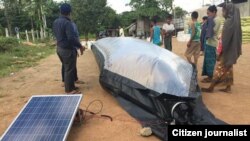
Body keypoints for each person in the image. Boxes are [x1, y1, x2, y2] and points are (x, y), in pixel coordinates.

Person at [201, 3, 242, 93]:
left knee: (219, 68)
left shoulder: (228, 23)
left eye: (224, 10)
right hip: (231, 50)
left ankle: (211, 87)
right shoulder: (235, 22)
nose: (223, 12)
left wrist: (220, 52)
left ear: (228, 11)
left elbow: (225, 40)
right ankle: (228, 87)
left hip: (226, 50)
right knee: (228, 67)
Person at [53, 3, 85, 94]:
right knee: (69, 69)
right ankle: (69, 90)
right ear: (70, 12)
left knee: (67, 67)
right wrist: (80, 46)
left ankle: (72, 86)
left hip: (59, 48)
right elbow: (71, 38)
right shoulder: (68, 23)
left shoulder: (56, 22)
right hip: (67, 50)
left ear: (60, 11)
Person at [61, 21, 85, 87]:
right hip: (67, 48)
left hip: (70, 47)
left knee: (72, 64)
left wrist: (78, 47)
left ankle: (75, 79)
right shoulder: (67, 24)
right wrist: (80, 46)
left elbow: (76, 36)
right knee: (66, 65)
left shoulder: (72, 24)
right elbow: (72, 38)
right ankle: (65, 82)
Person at [201, 5, 221, 83]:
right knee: (207, 60)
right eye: (207, 13)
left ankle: (210, 77)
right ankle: (209, 76)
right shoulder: (212, 19)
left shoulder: (217, 20)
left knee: (210, 61)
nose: (208, 15)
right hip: (209, 43)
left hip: (212, 43)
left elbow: (214, 31)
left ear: (214, 12)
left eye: (209, 13)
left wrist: (207, 27)